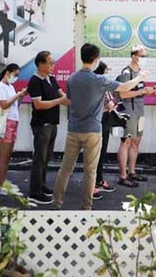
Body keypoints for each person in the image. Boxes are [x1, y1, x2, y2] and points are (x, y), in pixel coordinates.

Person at [54, 43, 149, 210]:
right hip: (93, 131)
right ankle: (86, 206)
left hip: (73, 129)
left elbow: (70, 101)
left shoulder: (72, 79)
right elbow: (125, 87)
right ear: (96, 59)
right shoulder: (99, 80)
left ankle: (57, 203)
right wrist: (141, 77)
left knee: (65, 169)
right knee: (90, 171)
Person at [27, 51, 70, 205]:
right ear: (41, 64)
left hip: (52, 123)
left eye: (53, 63)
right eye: (50, 63)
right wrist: (59, 101)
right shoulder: (34, 81)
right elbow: (38, 105)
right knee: (39, 158)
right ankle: (34, 192)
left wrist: (73, 100)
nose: (53, 66)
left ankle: (42, 185)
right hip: (41, 124)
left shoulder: (51, 78)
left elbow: (62, 95)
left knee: (47, 157)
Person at [116, 45, 156, 188]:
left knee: (136, 142)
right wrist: (141, 92)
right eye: (143, 56)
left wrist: (147, 91)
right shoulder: (126, 72)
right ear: (134, 56)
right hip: (129, 112)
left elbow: (138, 91)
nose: (144, 59)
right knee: (126, 142)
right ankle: (123, 176)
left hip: (140, 111)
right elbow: (123, 94)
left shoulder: (140, 72)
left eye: (146, 56)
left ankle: (132, 172)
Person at [0, 63, 28, 196]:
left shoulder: (10, 87)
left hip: (12, 121)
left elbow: (14, 106)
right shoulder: (0, 87)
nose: (16, 78)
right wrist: (18, 95)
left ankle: (3, 181)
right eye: (15, 75)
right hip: (4, 123)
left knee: (7, 156)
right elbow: (4, 105)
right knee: (3, 156)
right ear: (7, 72)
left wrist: (21, 97)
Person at [93, 61, 117, 196]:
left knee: (102, 152)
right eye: (105, 71)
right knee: (95, 153)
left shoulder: (105, 84)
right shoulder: (95, 85)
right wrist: (105, 107)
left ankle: (99, 179)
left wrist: (111, 106)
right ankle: (93, 184)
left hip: (106, 119)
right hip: (97, 121)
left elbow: (110, 99)